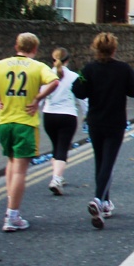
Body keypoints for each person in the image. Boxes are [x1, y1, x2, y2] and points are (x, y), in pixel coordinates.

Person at [0, 32, 60, 232]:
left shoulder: (1, 64)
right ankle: (13, 215)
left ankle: (10, 208)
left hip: (4, 120)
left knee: (10, 162)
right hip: (25, 122)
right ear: (35, 49)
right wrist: (37, 98)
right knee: (20, 169)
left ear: (16, 46)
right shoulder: (38, 66)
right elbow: (54, 82)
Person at [72, 32, 134, 229]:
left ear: (95, 49)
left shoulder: (88, 69)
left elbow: (77, 89)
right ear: (114, 49)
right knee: (108, 163)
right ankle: (98, 199)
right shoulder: (123, 69)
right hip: (115, 122)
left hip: (95, 121)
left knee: (100, 161)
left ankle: (104, 202)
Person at [42, 47, 88, 196]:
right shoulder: (74, 76)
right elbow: (82, 98)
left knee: (56, 147)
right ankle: (56, 179)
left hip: (49, 115)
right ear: (68, 60)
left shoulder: (46, 74)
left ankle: (58, 176)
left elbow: (40, 95)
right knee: (63, 147)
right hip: (67, 116)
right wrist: (86, 115)